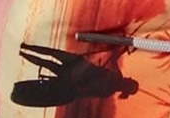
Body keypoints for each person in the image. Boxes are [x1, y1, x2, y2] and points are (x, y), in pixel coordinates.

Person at [11, 42, 140, 107]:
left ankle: (25, 48)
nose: (128, 77)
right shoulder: (109, 88)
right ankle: (23, 51)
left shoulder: (109, 87)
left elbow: (86, 90)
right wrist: (123, 49)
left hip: (77, 68)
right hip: (73, 74)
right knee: (47, 62)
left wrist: (123, 48)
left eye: (129, 80)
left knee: (51, 55)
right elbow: (83, 92)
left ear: (126, 86)